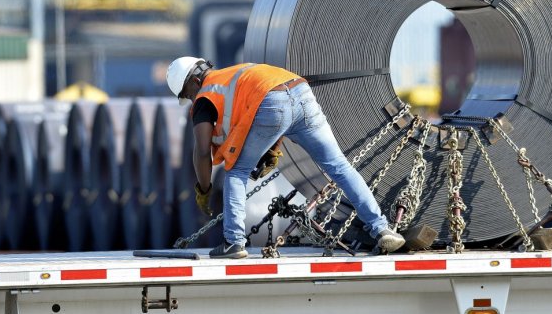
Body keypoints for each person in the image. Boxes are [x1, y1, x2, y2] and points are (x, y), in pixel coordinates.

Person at [166, 56, 406, 259]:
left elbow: (201, 150)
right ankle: (381, 229)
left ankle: (233, 242)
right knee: (339, 167)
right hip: (301, 92)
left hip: (272, 102)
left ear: (195, 81)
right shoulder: (235, 73)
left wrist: (204, 189)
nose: (191, 100)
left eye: (187, 94)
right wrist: (270, 148)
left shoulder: (206, 95)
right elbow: (265, 105)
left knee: (236, 172)